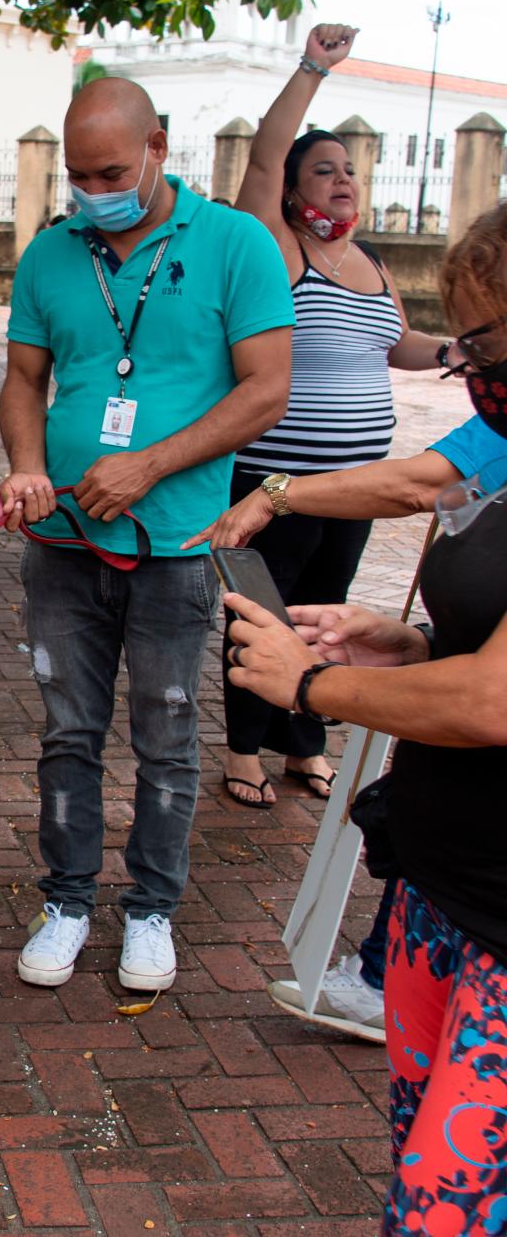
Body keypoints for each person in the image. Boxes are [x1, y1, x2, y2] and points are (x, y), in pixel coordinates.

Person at [218, 202, 507, 1233]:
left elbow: (490, 703)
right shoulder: (504, 433)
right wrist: (411, 646)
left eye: (480, 337)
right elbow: (429, 486)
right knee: (419, 1169)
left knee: (438, 1209)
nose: (466, 364)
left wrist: (307, 687)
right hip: (442, 894)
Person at [0, 77, 294, 993]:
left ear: (160, 147)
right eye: (80, 175)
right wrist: (23, 461)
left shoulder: (236, 243)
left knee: (168, 733)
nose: (93, 190)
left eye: (112, 171)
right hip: (63, 543)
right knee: (66, 730)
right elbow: (21, 378)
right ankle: (67, 900)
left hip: (176, 544)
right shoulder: (51, 253)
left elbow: (265, 391)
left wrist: (149, 464)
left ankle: (153, 909)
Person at [215, 24, 456, 810]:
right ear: (292, 190)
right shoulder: (279, 249)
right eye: (324, 169)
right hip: (273, 479)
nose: (343, 180)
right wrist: (313, 68)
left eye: (350, 169)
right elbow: (261, 154)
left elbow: (400, 345)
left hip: (351, 483)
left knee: (326, 616)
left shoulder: (371, 264)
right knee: (263, 614)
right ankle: (243, 749)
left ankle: (301, 742)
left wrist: (461, 351)